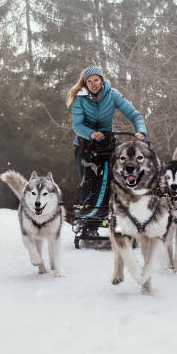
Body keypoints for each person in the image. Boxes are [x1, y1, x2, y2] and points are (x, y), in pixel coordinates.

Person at [66, 66, 147, 233]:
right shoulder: (80, 98)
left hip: (108, 145)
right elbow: (77, 125)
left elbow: (135, 115)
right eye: (89, 81)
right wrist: (91, 134)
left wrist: (140, 131)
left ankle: (118, 217)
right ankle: (88, 222)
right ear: (85, 84)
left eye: (96, 80)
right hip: (85, 146)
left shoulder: (112, 94)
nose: (93, 84)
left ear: (102, 80)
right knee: (88, 182)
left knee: (113, 180)